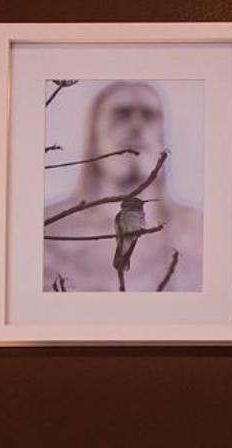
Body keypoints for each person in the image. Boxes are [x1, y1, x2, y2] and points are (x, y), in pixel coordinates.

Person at [43, 81, 203, 293]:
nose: (137, 126)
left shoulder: (197, 230)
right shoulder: (49, 227)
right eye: (121, 114)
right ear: (94, 133)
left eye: (148, 115)